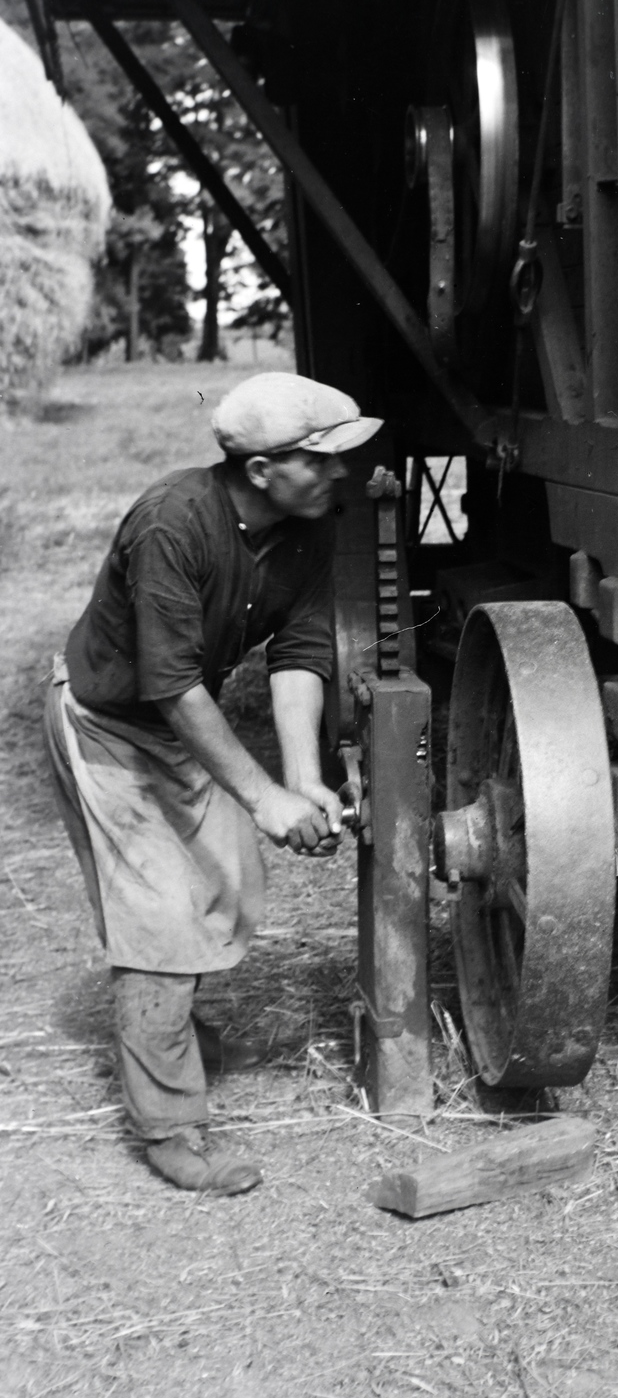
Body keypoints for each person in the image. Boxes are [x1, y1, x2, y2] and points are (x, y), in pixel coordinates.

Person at [43, 372, 380, 1196]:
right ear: (262, 469)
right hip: (110, 723)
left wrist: (302, 780)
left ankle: (170, 1034)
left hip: (177, 721)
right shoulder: (173, 521)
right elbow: (171, 684)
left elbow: (299, 653)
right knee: (158, 916)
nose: (339, 473)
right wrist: (261, 798)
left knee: (223, 887)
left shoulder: (306, 525)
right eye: (320, 459)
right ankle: (171, 1127)